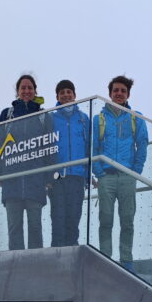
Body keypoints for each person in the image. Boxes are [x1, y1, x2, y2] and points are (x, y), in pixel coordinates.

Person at [0, 74, 57, 250]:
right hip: (12, 182)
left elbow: (51, 147)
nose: (26, 91)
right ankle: (16, 266)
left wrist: (49, 178)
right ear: (17, 91)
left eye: (30, 88)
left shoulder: (43, 116)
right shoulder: (7, 115)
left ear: (35, 91)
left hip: (36, 182)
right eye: (23, 88)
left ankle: (36, 267)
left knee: (35, 227)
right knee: (14, 228)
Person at [92, 75, 148, 270]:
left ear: (128, 94)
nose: (119, 93)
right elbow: (93, 147)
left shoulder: (135, 117)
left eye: (123, 91)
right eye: (116, 90)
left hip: (127, 177)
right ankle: (105, 260)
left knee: (127, 221)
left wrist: (135, 171)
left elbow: (142, 145)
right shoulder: (99, 118)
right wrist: (98, 173)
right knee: (105, 219)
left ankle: (127, 261)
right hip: (106, 176)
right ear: (110, 93)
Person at [49, 80, 90, 247]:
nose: (66, 95)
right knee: (58, 219)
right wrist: (47, 177)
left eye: (69, 92)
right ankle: (56, 259)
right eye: (62, 92)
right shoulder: (50, 118)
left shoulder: (83, 118)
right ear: (57, 96)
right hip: (57, 177)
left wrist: (88, 175)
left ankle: (72, 256)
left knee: (74, 218)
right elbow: (45, 147)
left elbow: (88, 148)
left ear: (74, 95)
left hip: (77, 177)